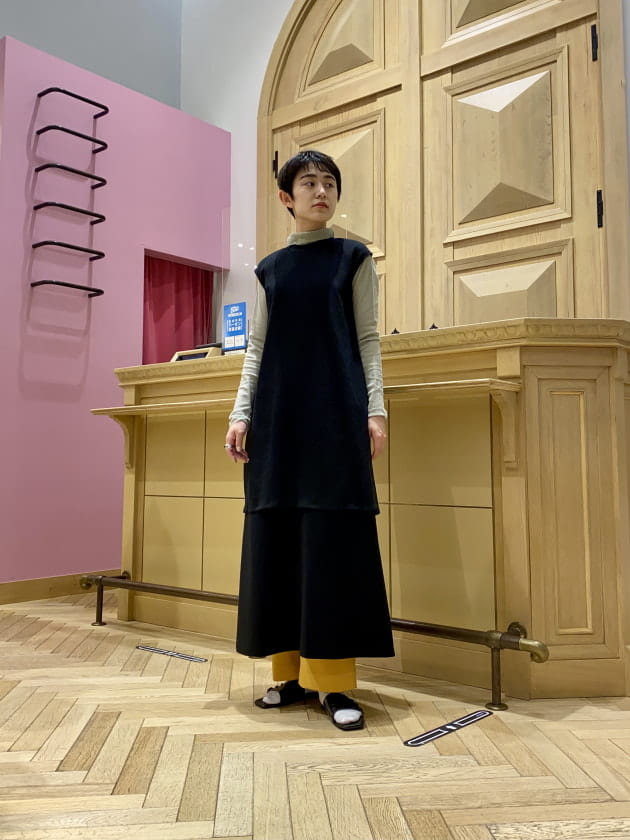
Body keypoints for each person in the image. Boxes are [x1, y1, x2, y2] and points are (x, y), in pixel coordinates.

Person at [225, 149, 394, 730]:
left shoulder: (353, 259)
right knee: (279, 541)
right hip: (277, 422)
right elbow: (257, 348)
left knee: (330, 545)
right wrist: (240, 414)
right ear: (286, 197)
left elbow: (368, 340)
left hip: (335, 418)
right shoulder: (269, 270)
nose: (321, 192)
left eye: (329, 183)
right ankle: (289, 676)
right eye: (309, 183)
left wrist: (375, 410)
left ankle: (334, 684)